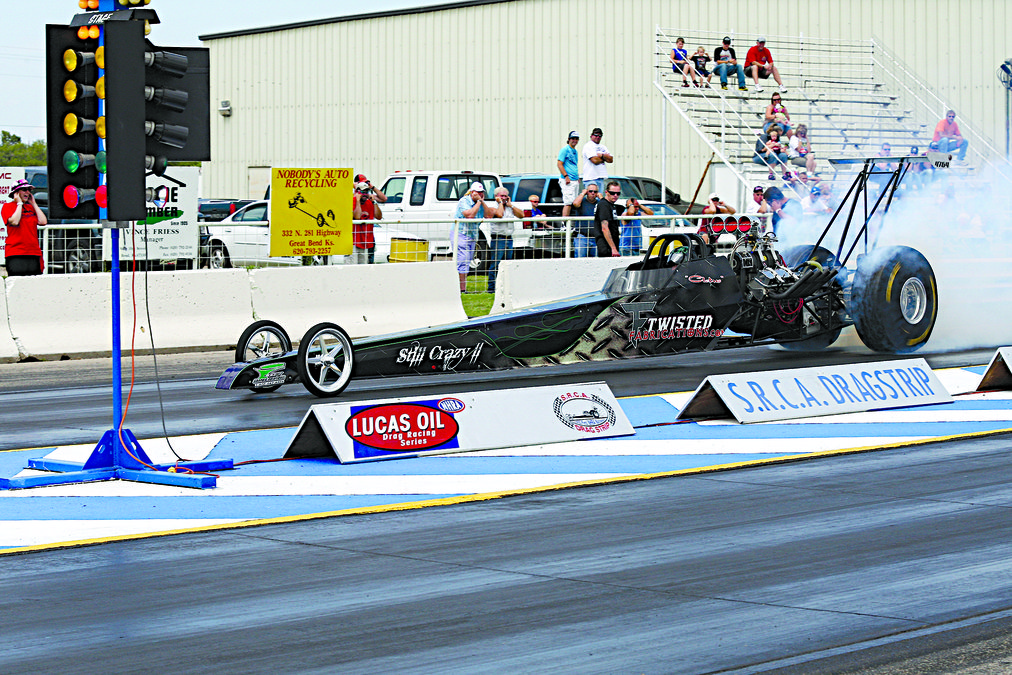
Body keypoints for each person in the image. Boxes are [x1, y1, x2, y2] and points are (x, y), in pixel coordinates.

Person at [1, 179, 46, 276]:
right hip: (16, 252)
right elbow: (14, 221)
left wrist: (34, 204)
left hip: (33, 252)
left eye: (29, 190)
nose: (28, 192)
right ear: (16, 193)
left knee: (35, 282)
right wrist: (19, 204)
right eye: (24, 190)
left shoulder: (31, 207)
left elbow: (43, 222)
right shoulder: (7, 206)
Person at [452, 181, 492, 292]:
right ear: (472, 192)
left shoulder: (480, 203)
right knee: (462, 261)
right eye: (478, 192)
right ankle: (461, 289)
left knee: (467, 261)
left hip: (472, 235)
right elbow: (469, 215)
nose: (480, 194)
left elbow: (488, 215)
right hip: (461, 234)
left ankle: (462, 288)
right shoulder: (464, 201)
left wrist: (482, 202)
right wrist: (479, 202)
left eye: (482, 192)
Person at [486, 186, 524, 293]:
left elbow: (521, 215)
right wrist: (500, 203)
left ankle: (506, 286)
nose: (504, 198)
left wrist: (511, 205)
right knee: (495, 264)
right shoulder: (493, 207)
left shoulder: (509, 207)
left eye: (505, 196)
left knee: (508, 264)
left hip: (509, 238)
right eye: (501, 196)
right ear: (496, 196)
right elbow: (499, 214)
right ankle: (492, 288)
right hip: (498, 238)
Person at [351, 180, 383, 264]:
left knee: (363, 265)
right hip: (353, 241)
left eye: (366, 192)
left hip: (365, 241)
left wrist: (374, 202)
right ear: (357, 192)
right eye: (362, 192)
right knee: (351, 265)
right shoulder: (353, 201)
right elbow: (357, 217)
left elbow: (379, 217)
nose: (365, 194)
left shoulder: (370, 202)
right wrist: (358, 201)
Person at [557, 130, 580, 223]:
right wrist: (566, 176)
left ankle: (571, 224)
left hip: (574, 180)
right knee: (568, 203)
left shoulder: (575, 151)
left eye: (576, 139)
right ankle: (564, 225)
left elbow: (573, 165)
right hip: (568, 180)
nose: (574, 140)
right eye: (573, 138)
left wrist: (577, 177)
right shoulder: (565, 150)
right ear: (569, 139)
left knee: (575, 203)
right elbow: (559, 164)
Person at [594, 180, 622, 257]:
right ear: (606, 192)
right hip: (606, 245)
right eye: (612, 193)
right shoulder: (604, 205)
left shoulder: (611, 205)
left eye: (618, 193)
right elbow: (605, 228)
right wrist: (613, 248)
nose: (615, 195)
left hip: (611, 243)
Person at [570, 184, 599, 257]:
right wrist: (582, 193)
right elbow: (575, 204)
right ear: (586, 192)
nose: (593, 193)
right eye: (590, 191)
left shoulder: (600, 203)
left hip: (596, 237)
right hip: (582, 237)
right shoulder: (581, 201)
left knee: (597, 261)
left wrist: (601, 197)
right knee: (580, 259)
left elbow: (607, 207)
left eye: (595, 192)